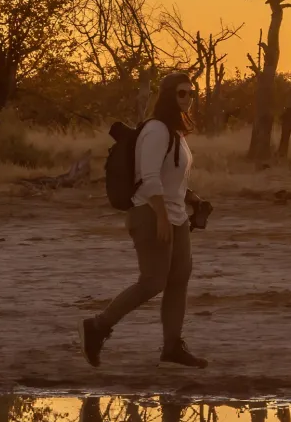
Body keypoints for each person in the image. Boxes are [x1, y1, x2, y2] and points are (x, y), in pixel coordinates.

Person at [84, 71, 208, 369]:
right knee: (153, 281)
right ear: (167, 95)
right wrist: (162, 217)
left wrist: (193, 199)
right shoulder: (156, 130)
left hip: (174, 215)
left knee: (179, 279)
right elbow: (149, 178)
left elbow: (171, 178)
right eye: (181, 93)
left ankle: (171, 346)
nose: (188, 98)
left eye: (191, 93)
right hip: (150, 214)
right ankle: (97, 327)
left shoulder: (176, 132)